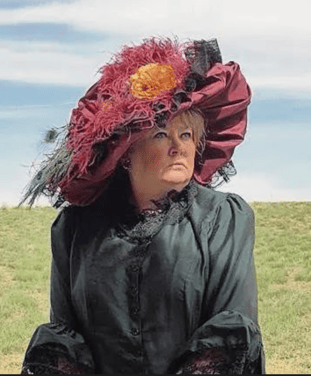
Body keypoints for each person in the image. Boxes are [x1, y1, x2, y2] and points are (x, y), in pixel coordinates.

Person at [20, 37, 265, 374]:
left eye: (187, 136)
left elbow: (230, 333)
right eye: (162, 135)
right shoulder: (75, 229)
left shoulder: (223, 218)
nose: (179, 147)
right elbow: (66, 341)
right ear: (126, 153)